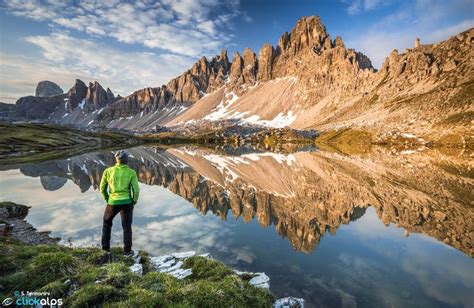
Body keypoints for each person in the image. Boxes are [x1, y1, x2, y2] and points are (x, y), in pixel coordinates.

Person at [100, 150, 139, 256]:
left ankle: (105, 250)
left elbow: (102, 188)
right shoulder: (131, 172)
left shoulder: (108, 171)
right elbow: (136, 190)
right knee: (127, 227)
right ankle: (127, 251)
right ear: (127, 160)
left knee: (107, 223)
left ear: (116, 160)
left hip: (112, 202)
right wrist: (133, 201)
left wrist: (107, 198)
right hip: (127, 202)